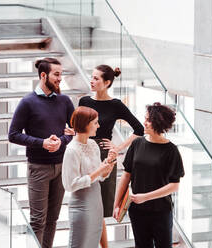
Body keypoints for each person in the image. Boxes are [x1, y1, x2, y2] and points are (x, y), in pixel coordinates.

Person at [8, 58, 75, 248]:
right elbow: (13, 135)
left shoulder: (64, 101)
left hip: (61, 167)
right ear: (43, 75)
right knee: (38, 220)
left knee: (52, 220)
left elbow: (75, 130)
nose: (60, 79)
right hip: (38, 168)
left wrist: (61, 141)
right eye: (56, 74)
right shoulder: (27, 102)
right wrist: (42, 143)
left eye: (61, 75)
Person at [78, 64, 144, 247]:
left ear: (107, 83)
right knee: (86, 203)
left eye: (96, 78)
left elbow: (139, 129)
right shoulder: (84, 101)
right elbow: (78, 127)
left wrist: (119, 146)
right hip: (84, 151)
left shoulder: (115, 105)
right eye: (91, 77)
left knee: (100, 208)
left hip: (105, 154)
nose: (92, 81)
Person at [113, 102, 185, 248]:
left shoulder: (171, 150)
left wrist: (145, 197)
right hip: (137, 211)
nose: (144, 123)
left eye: (148, 120)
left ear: (158, 123)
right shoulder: (137, 144)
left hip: (161, 212)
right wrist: (116, 204)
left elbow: (174, 186)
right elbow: (126, 176)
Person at [62, 106, 117, 248]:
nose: (98, 126)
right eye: (95, 123)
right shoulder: (72, 150)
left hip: (96, 202)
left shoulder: (93, 145)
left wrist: (108, 164)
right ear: (85, 124)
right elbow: (70, 185)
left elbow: (100, 176)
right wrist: (99, 171)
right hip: (82, 205)